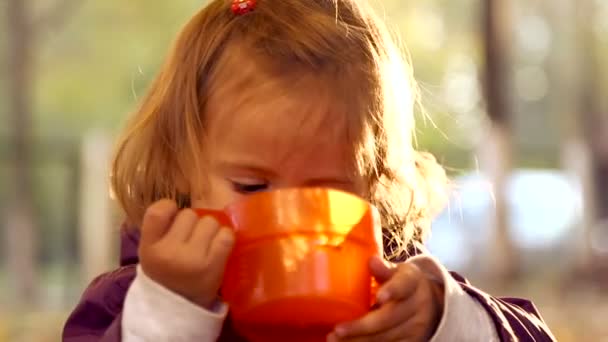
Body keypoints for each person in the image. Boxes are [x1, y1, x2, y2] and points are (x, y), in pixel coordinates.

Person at [63, 0, 556, 340]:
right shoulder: (129, 302)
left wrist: (443, 322)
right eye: (253, 186)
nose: (288, 225)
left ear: (374, 187)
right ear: (179, 168)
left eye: (326, 193)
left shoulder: (393, 295)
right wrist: (169, 312)